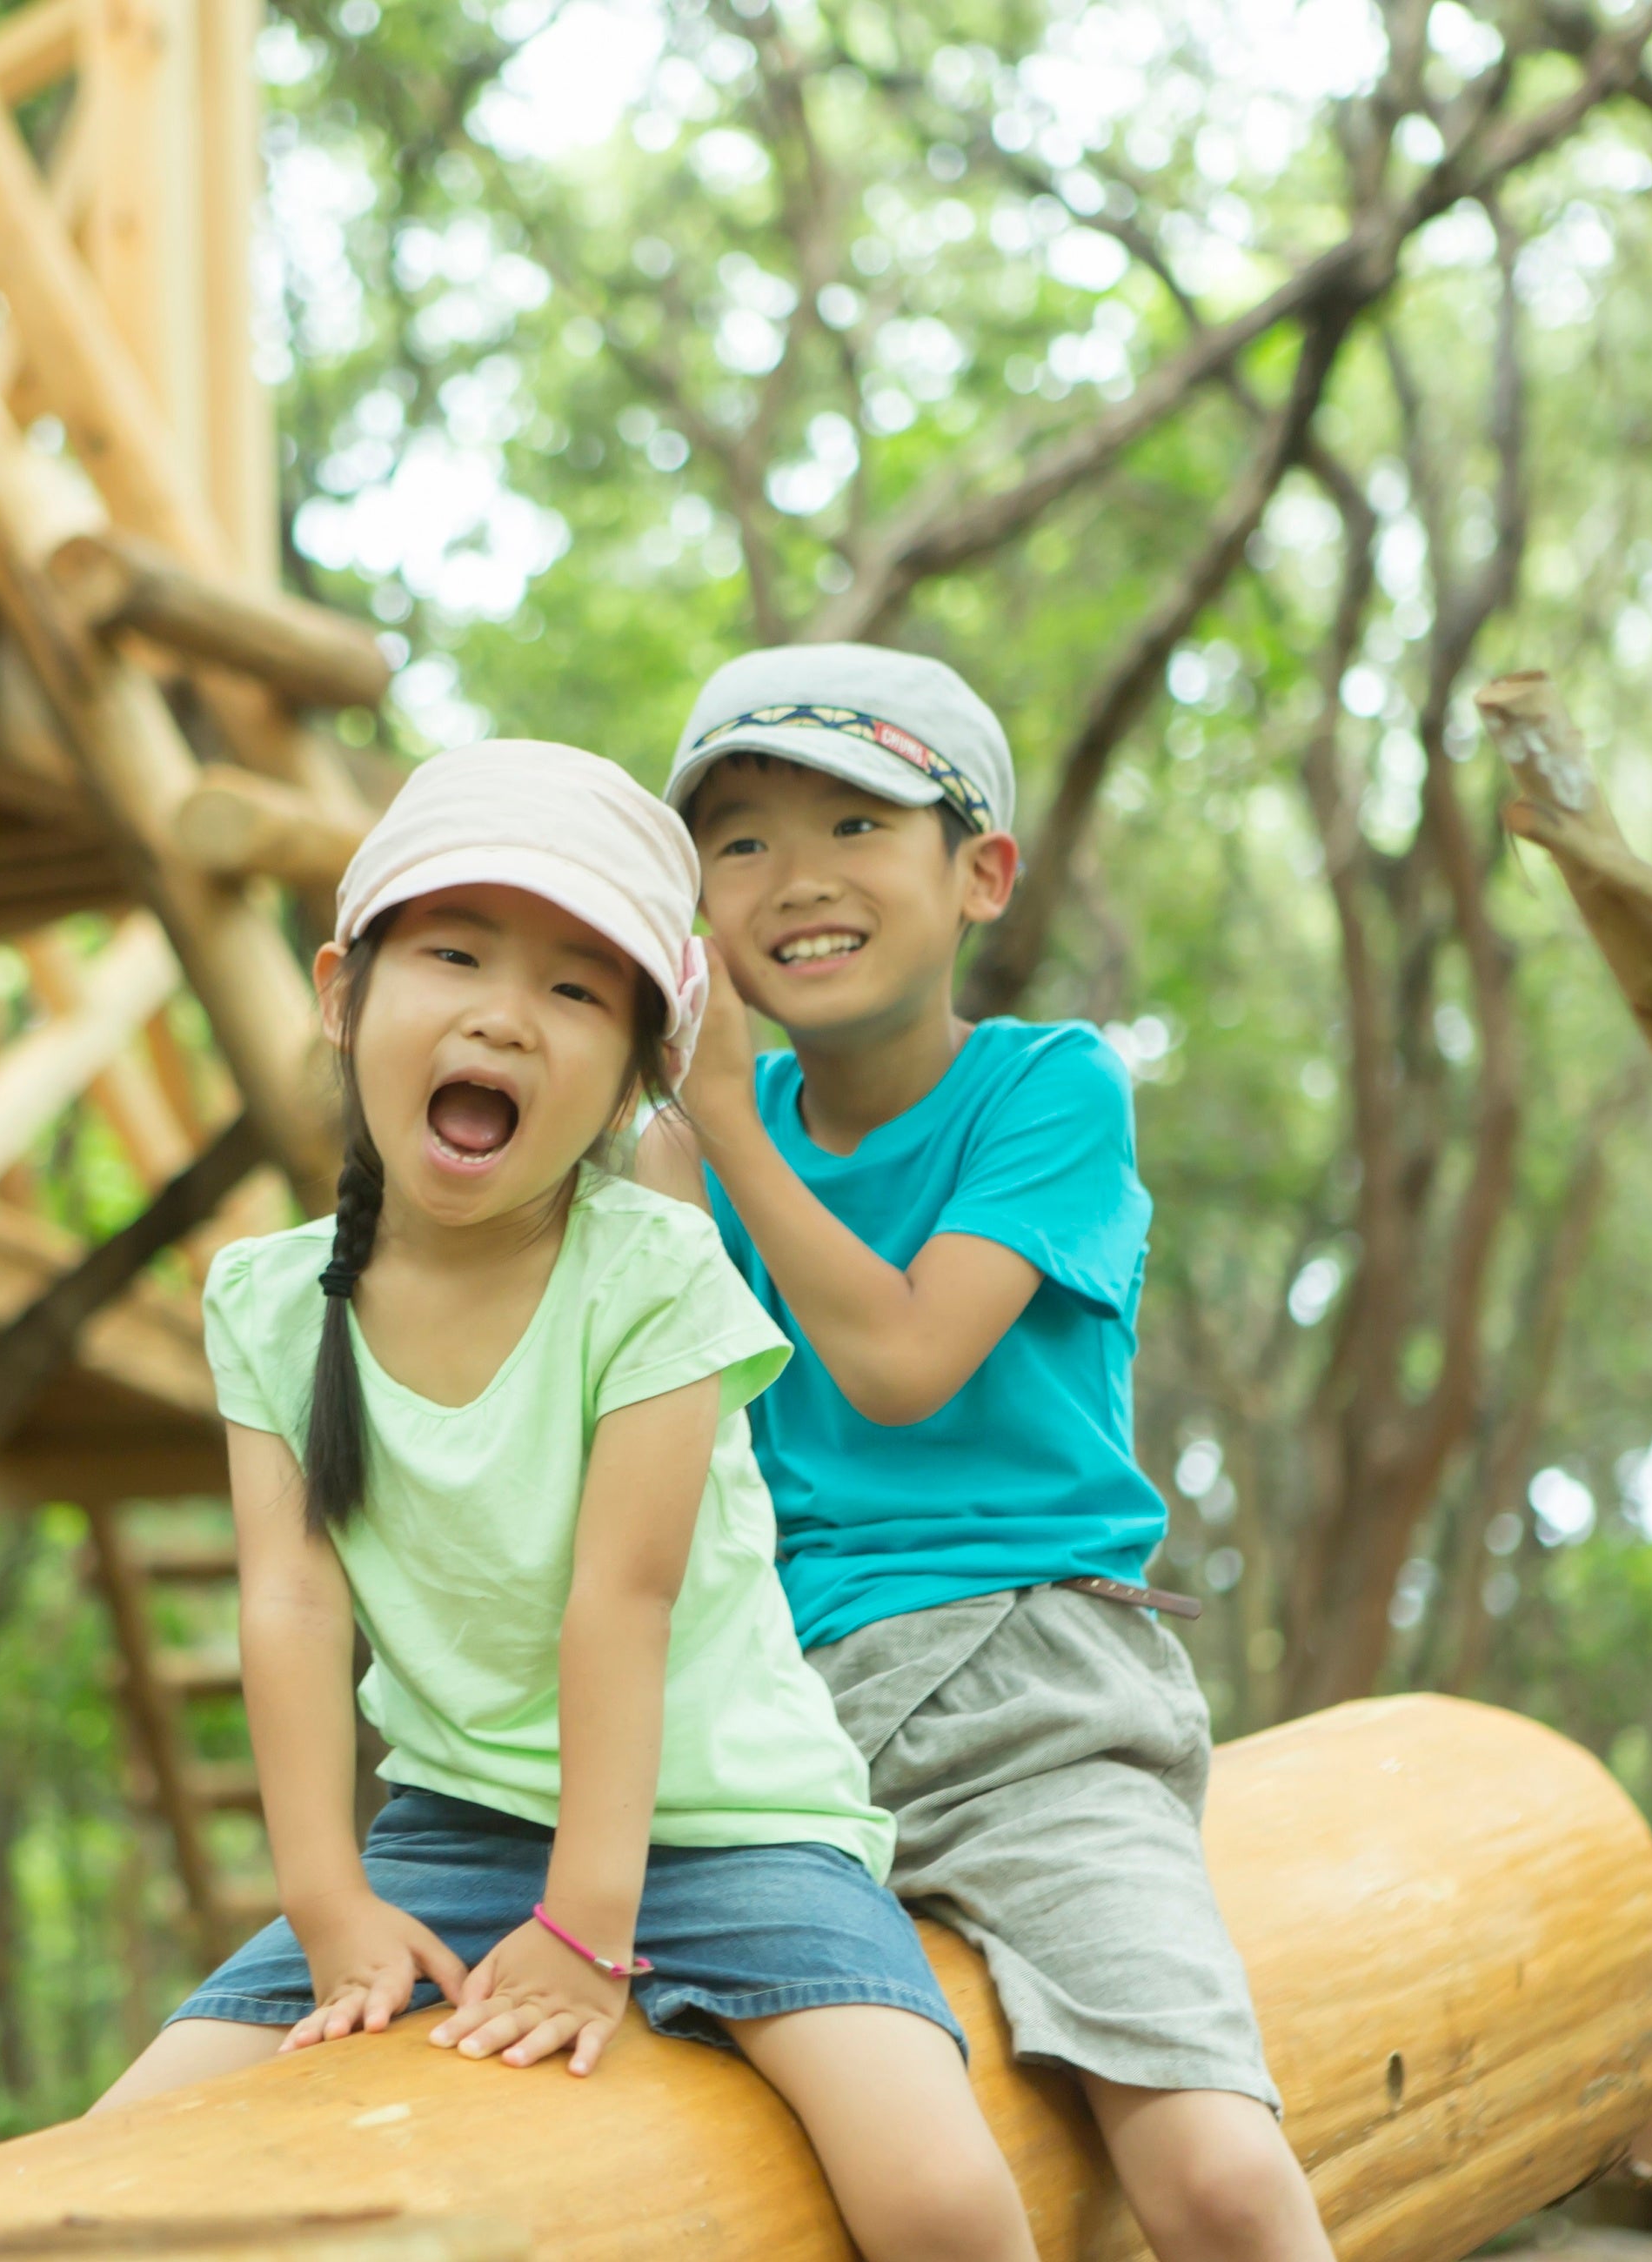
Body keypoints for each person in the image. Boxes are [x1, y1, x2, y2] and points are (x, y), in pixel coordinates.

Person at [97, 740, 1035, 2262]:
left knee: (938, 2200)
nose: (501, 1017)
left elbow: (626, 1601)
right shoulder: (272, 1302)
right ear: (343, 994)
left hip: (734, 1830)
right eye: (455, 954)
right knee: (118, 2159)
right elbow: (290, 1596)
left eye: (575, 992)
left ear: (637, 1068)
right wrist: (328, 1896)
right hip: (453, 1833)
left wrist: (592, 1928)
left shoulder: (650, 1273)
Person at [635, 647, 1334, 2262]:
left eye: (855, 824)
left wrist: (725, 1125)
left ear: (980, 874)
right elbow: (664, 1431)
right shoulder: (683, 1152)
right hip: (780, 1732)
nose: (795, 879)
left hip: (1031, 1707)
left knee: (1217, 2179)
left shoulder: (1051, 1086)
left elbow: (897, 1363)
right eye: (738, 843)